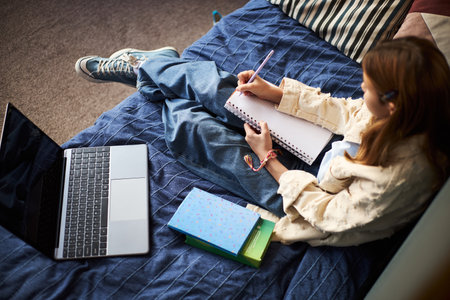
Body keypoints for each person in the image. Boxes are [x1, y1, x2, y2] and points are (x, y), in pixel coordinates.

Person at [75, 37, 450, 246]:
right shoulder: (410, 110)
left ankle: (151, 77)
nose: (359, 90)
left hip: (309, 203)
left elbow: (328, 216)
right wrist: (275, 94)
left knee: (195, 130)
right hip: (326, 158)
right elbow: (346, 110)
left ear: (393, 102)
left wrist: (268, 158)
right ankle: (149, 68)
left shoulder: (400, 177)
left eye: (367, 88)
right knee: (226, 90)